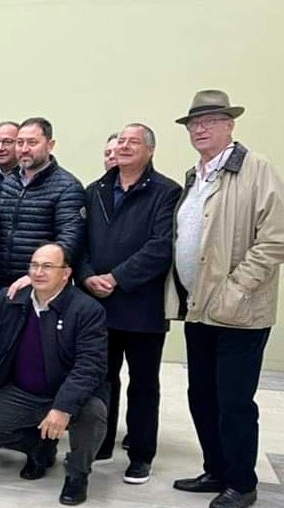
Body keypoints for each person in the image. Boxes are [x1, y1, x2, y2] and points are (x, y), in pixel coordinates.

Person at [168, 90, 284, 508]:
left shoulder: (256, 169)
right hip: (199, 309)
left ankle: (241, 483)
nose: (200, 129)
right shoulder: (195, 175)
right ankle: (215, 470)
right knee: (202, 395)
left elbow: (275, 239)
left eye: (211, 121)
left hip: (240, 312)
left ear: (230, 125)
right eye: (194, 123)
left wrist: (236, 290)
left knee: (234, 401)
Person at [0, 243, 108, 506]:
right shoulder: (12, 298)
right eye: (34, 265)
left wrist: (62, 407)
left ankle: (78, 474)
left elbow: (90, 366)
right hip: (23, 392)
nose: (39, 272)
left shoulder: (87, 310)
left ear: (66, 273)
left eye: (48, 266)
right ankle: (39, 447)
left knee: (93, 413)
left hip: (68, 392)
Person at [78, 123, 182, 483]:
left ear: (150, 150)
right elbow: (80, 244)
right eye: (120, 140)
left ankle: (140, 454)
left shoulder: (167, 192)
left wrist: (116, 278)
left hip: (142, 306)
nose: (123, 146)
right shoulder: (95, 190)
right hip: (97, 305)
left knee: (143, 384)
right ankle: (101, 442)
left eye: (133, 142)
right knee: (101, 378)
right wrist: (87, 276)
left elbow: (161, 247)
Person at [0, 117, 85, 301]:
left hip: (41, 286)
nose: (24, 149)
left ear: (50, 145)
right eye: (20, 143)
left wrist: (35, 275)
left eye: (32, 143)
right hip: (2, 286)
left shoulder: (68, 187)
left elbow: (69, 239)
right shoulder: (9, 182)